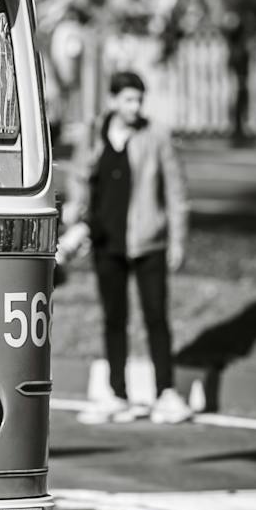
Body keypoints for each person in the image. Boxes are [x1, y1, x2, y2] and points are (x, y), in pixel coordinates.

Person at [62, 71, 192, 424]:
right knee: (114, 320)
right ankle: (117, 394)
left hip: (149, 241)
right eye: (129, 99)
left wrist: (177, 240)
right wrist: (77, 213)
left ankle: (166, 393)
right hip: (107, 241)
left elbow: (176, 193)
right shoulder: (93, 133)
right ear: (113, 100)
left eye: (139, 100)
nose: (135, 107)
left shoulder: (155, 136)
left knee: (156, 317)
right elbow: (78, 177)